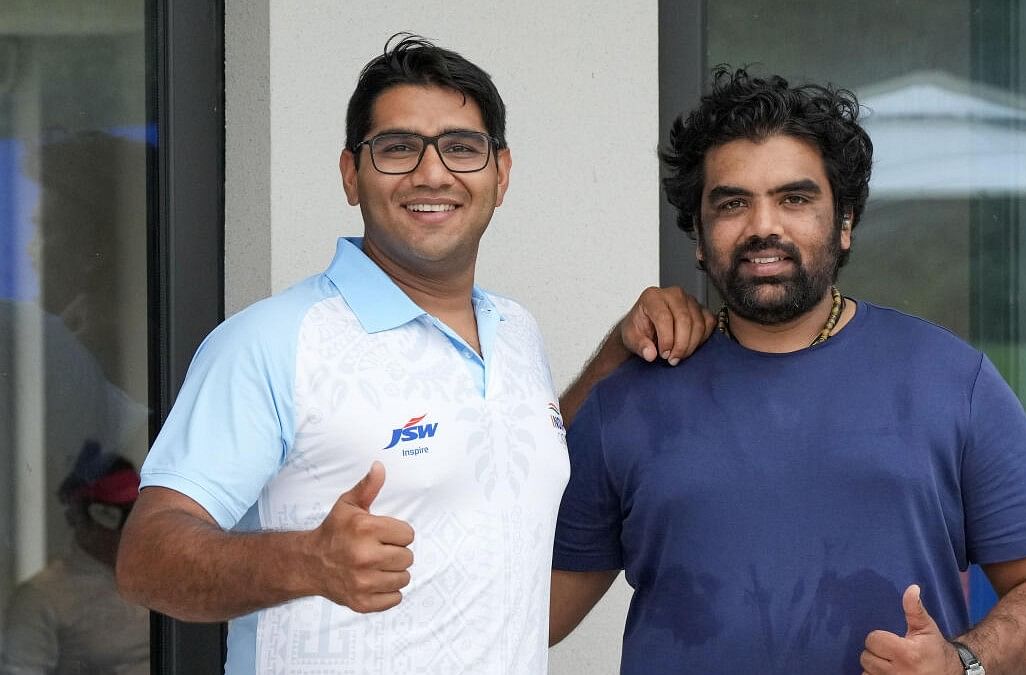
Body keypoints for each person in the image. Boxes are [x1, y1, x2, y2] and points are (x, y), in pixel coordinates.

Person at [114, 33, 708, 674]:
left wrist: (616, 354)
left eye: (461, 148)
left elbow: (510, 462)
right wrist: (305, 560)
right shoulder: (275, 341)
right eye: (398, 148)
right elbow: (147, 559)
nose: (432, 173)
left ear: (501, 174)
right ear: (351, 174)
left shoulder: (514, 330)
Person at [550, 68, 1026, 675]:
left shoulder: (950, 380)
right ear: (698, 237)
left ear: (845, 222)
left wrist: (962, 664)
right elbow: (538, 612)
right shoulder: (628, 396)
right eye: (732, 204)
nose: (763, 227)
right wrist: (612, 355)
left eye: (795, 198)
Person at [2, 442, 149, 675]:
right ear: (83, 517)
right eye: (123, 517)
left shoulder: (156, 577)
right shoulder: (42, 598)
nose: (131, 531)